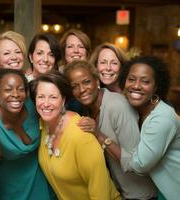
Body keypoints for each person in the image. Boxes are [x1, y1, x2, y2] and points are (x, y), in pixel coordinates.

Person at [64, 60, 157, 199]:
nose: (82, 89)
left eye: (86, 82)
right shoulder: (86, 109)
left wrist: (98, 134)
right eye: (74, 86)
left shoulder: (117, 106)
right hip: (119, 192)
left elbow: (135, 162)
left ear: (97, 81)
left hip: (141, 195)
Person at [29, 71, 121, 200]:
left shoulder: (81, 134)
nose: (46, 103)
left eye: (53, 97)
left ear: (63, 100)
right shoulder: (44, 125)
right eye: (41, 96)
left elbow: (100, 191)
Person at [103, 56, 180, 200]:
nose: (136, 85)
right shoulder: (138, 109)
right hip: (161, 188)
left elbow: (140, 165)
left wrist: (102, 137)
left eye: (145, 81)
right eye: (131, 79)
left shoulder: (161, 119)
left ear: (157, 86)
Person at [0, 68, 55, 200]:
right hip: (14, 189)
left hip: (44, 183)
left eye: (21, 89)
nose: (16, 94)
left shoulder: (34, 106)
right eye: (8, 89)